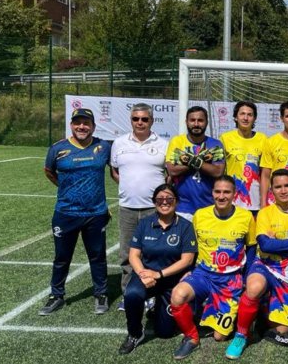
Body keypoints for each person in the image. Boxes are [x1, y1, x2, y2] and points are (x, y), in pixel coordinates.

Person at [225, 169, 288, 359]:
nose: (283, 190)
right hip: (265, 265)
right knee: (254, 287)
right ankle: (241, 335)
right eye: (278, 187)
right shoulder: (265, 213)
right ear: (272, 191)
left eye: (287, 185)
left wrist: (277, 245)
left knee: (281, 331)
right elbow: (265, 245)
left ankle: (260, 309)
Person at [169, 176, 256, 360]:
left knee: (220, 337)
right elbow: (192, 246)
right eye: (217, 191)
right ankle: (191, 337)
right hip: (203, 274)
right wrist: (189, 270)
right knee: (178, 295)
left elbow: (252, 248)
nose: (221, 196)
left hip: (230, 280)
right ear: (212, 193)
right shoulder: (200, 215)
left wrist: (247, 276)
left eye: (226, 192)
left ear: (234, 194)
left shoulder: (246, 216)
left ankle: (232, 312)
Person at [39, 108, 112, 316]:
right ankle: (56, 295)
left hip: (95, 213)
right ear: (71, 125)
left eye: (86, 123)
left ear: (93, 126)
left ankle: (101, 293)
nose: (82, 127)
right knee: (62, 257)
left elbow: (116, 169)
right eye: (78, 123)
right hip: (65, 212)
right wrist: (66, 189)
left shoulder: (103, 146)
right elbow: (49, 172)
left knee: (97, 256)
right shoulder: (58, 149)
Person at [118, 184, 197, 355]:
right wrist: (143, 274)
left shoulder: (185, 226)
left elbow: (187, 259)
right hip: (146, 277)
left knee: (165, 333)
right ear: (154, 202)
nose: (165, 202)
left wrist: (159, 274)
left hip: (171, 280)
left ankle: (158, 307)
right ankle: (134, 334)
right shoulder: (145, 224)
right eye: (160, 199)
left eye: (169, 198)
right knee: (132, 294)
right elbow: (133, 255)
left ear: (176, 201)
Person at [110, 103, 169, 311]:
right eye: (136, 119)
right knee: (126, 253)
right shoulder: (119, 143)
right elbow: (115, 172)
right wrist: (131, 188)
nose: (140, 122)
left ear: (151, 120)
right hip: (127, 207)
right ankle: (128, 294)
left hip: (154, 209)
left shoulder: (163, 144)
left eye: (144, 119)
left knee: (153, 253)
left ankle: (151, 295)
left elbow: (168, 175)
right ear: (131, 120)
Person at [166, 106, 225, 222]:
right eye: (192, 120)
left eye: (200, 120)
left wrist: (190, 160)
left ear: (206, 122)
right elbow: (172, 170)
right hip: (182, 207)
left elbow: (218, 171)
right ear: (186, 122)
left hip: (209, 207)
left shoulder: (215, 145)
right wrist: (201, 161)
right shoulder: (177, 142)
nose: (196, 124)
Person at [219, 101, 267, 217]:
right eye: (242, 114)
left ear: (254, 118)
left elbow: (265, 173)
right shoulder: (225, 138)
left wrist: (264, 203)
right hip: (232, 200)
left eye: (250, 115)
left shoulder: (263, 139)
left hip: (255, 201)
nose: (246, 118)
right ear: (236, 117)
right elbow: (219, 171)